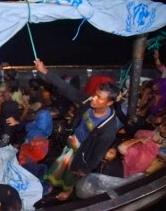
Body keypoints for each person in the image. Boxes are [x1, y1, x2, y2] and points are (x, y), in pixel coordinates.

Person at [34, 59, 119, 200]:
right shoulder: (88, 102)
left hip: (83, 152)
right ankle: (56, 182)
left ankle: (68, 192)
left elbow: (98, 153)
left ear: (109, 103)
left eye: (99, 98)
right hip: (73, 140)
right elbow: (68, 89)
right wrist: (45, 72)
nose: (93, 99)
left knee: (72, 173)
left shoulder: (108, 129)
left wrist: (86, 169)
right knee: (62, 166)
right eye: (95, 94)